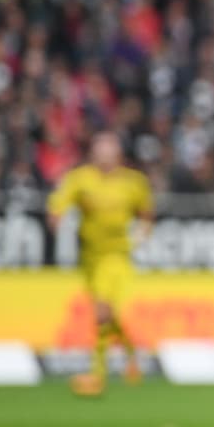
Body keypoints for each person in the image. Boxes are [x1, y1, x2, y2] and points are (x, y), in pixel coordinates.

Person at [47, 131, 153, 397]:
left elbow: (146, 214)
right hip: (90, 259)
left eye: (109, 150)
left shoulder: (133, 183)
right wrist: (56, 217)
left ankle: (97, 375)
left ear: (118, 155)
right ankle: (131, 358)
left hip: (118, 258)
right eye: (100, 150)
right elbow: (59, 203)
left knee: (102, 312)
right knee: (107, 316)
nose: (104, 156)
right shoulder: (81, 179)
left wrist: (142, 234)